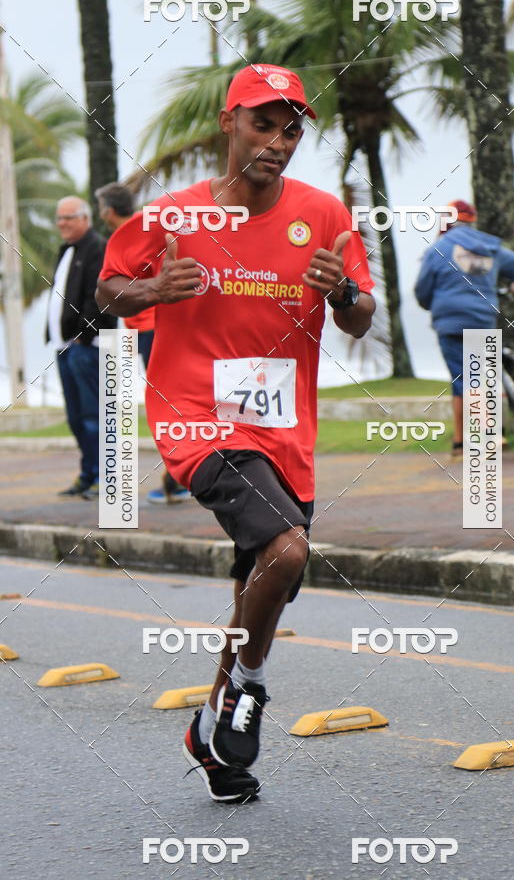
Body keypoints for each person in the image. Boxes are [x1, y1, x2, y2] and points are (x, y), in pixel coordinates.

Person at [96, 63, 375, 802]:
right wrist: (151, 291)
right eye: (262, 124)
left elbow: (360, 316)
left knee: (263, 582)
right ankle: (249, 688)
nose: (277, 142)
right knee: (286, 549)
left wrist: (342, 292)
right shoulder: (174, 216)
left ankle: (213, 739)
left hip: (285, 430)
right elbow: (107, 288)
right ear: (229, 124)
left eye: (291, 129)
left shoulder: (324, 216)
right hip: (197, 419)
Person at [95, 182, 188, 504]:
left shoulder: (141, 234)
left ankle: (180, 477)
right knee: (167, 404)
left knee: (171, 405)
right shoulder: (142, 230)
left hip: (155, 330)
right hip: (143, 331)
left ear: (107, 211)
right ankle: (179, 477)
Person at [414, 200, 514, 455]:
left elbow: (422, 292)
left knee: (461, 379)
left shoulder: (437, 249)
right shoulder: (490, 247)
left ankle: (471, 441)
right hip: (482, 320)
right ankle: (484, 437)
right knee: (484, 378)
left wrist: (434, 304)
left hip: (450, 322)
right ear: (472, 219)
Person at [47, 196, 116, 498]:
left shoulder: (97, 248)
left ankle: (105, 477)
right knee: (76, 417)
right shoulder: (67, 251)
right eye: (59, 218)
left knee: (93, 415)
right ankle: (88, 474)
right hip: (64, 348)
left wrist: (82, 337)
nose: (62, 223)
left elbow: (97, 297)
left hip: (87, 347)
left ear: (85, 219)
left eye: (69, 217)